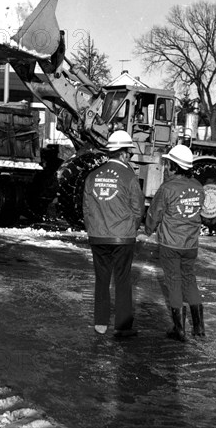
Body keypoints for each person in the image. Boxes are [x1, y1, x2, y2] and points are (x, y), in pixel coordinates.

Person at [83, 131, 145, 338]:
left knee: (101, 280)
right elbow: (138, 210)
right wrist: (130, 228)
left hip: (98, 236)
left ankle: (100, 324)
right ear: (124, 154)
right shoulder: (129, 177)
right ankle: (122, 325)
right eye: (129, 152)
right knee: (122, 280)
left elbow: (87, 209)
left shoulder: (92, 175)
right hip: (122, 237)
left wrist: (94, 229)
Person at [145, 144, 205, 342]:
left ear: (174, 166)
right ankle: (199, 327)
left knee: (173, 283)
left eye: (169, 164)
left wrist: (148, 228)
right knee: (189, 280)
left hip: (171, 244)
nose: (167, 167)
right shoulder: (198, 187)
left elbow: (155, 213)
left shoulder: (167, 188)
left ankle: (179, 329)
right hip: (191, 245)